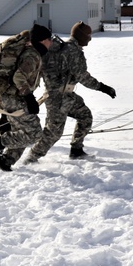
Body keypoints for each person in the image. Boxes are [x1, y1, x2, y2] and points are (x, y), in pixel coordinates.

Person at [25, 22, 116, 163]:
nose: (90, 39)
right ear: (81, 36)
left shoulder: (65, 47)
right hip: (57, 98)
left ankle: (76, 150)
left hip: (67, 96)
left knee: (85, 116)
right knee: (53, 133)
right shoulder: (71, 50)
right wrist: (102, 87)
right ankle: (31, 158)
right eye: (88, 36)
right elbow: (82, 76)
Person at [0, 24, 52, 171]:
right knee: (34, 133)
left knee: (21, 132)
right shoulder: (32, 55)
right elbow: (19, 77)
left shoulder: (32, 52)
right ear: (41, 40)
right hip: (15, 99)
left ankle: (6, 161)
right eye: (49, 39)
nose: (51, 42)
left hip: (9, 97)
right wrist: (29, 98)